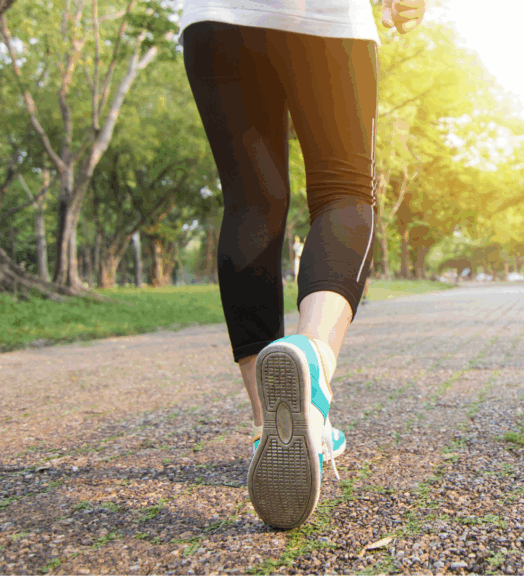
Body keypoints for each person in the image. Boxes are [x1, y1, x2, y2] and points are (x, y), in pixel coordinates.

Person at [178, 0, 426, 530]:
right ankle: (312, 365)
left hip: (214, 18)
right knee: (345, 193)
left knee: (251, 202)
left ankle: (270, 423)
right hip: (325, 16)